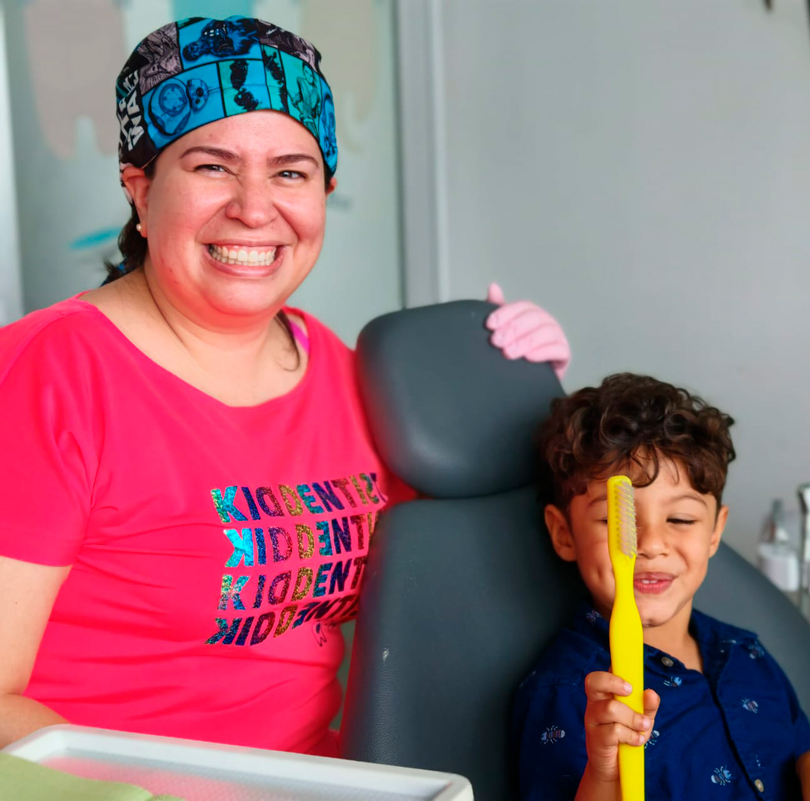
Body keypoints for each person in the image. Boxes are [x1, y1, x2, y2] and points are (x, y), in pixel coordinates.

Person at [0, 16, 570, 758]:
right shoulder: (48, 373)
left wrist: (526, 388)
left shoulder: (340, 368)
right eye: (212, 167)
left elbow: (507, 563)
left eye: (291, 172)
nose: (254, 206)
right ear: (141, 189)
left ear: (323, 192)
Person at [514, 374, 810, 800]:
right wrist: (604, 777)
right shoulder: (568, 696)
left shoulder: (744, 653)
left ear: (715, 532)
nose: (651, 544)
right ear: (564, 533)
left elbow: (796, 749)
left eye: (680, 519)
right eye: (615, 520)